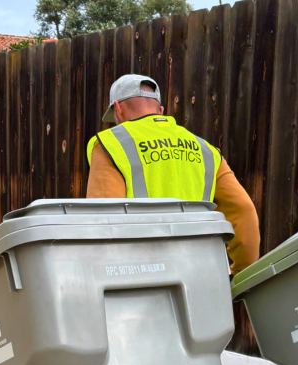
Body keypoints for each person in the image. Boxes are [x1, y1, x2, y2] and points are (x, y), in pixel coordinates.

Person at [85, 75, 260, 275]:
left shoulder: (109, 144)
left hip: (138, 278)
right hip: (198, 275)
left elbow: (103, 221)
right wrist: (242, 274)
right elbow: (243, 211)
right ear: (160, 111)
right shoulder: (205, 150)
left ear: (118, 109)